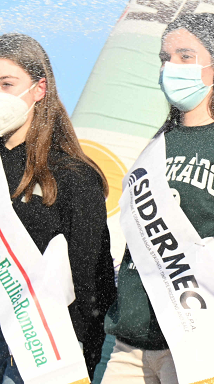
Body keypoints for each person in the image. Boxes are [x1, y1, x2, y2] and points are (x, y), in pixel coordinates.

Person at [101, 13, 214, 384]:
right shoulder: (154, 149)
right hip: (131, 342)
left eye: (185, 56)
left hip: (206, 338)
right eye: (165, 57)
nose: (171, 66)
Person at [0, 33, 114, 382]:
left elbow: (93, 280)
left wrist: (86, 358)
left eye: (6, 84)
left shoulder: (72, 175)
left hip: (39, 353)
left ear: (39, 89)